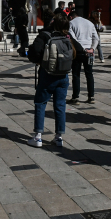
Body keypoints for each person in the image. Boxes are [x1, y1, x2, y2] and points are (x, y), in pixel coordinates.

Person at [26, 13, 75, 147]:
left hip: (47, 74)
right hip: (63, 75)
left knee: (41, 103)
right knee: (60, 106)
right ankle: (58, 137)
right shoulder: (68, 37)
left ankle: (38, 137)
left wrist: (39, 61)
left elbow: (34, 51)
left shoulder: (45, 35)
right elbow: (78, 52)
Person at [67, 10, 99, 105]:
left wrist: (81, 48)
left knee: (76, 74)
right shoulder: (89, 23)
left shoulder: (71, 23)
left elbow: (73, 38)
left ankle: (75, 97)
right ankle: (91, 96)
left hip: (78, 52)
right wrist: (92, 48)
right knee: (89, 74)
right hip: (89, 51)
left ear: (71, 17)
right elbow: (96, 38)